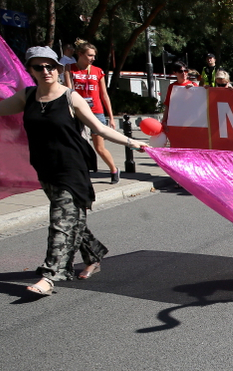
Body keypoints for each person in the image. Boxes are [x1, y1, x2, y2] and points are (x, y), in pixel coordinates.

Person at [0, 46, 146, 296]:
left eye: (50, 66)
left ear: (58, 68)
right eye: (39, 67)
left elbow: (99, 128)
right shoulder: (27, 96)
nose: (46, 71)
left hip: (72, 169)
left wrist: (132, 142)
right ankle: (94, 255)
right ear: (30, 70)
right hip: (45, 170)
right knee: (71, 219)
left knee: (60, 223)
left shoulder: (70, 97)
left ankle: (50, 275)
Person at [65, 39, 120, 183]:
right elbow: (68, 92)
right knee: (78, 145)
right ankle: (81, 175)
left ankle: (114, 169)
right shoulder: (69, 68)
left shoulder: (97, 71)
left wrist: (111, 117)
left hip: (96, 111)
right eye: (89, 55)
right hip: (78, 112)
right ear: (80, 54)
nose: (93, 58)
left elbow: (104, 95)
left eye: (94, 55)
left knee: (99, 147)